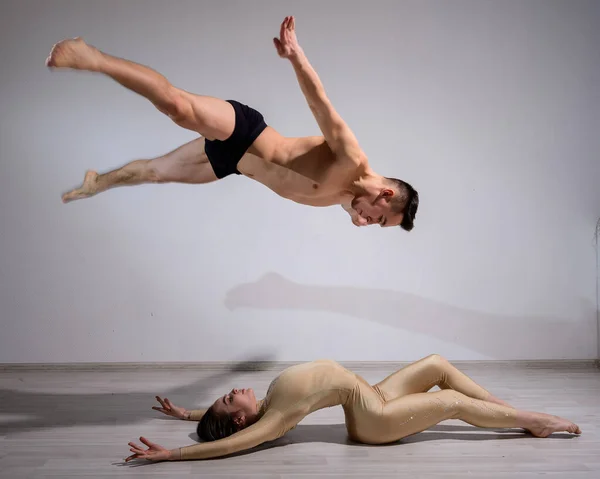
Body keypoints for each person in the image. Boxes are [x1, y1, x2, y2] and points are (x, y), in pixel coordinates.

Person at [45, 16, 418, 230]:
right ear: (384, 195)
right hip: (248, 133)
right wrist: (296, 56)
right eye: (379, 219)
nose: (367, 223)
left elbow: (345, 202)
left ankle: (97, 182)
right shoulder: (351, 159)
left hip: (232, 165)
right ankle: (94, 58)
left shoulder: (348, 200)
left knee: (154, 173)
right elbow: (320, 105)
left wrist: (356, 212)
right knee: (177, 106)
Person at [124, 355, 581, 463]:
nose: (232, 390)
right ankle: (536, 422)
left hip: (374, 396)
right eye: (229, 399)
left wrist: (188, 416)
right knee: (454, 403)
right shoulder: (273, 419)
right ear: (240, 418)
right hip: (376, 423)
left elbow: (231, 421)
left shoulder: (265, 403)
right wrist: (174, 455)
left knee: (438, 365)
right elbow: (239, 438)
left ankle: (504, 408)